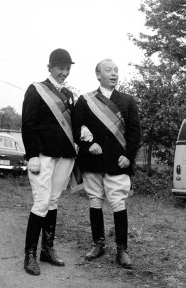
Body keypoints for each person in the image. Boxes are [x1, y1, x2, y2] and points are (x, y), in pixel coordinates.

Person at [72, 58, 141, 269]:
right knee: (95, 200)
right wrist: (88, 144)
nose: (114, 73)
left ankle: (122, 250)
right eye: (109, 70)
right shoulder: (85, 101)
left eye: (116, 70)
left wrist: (128, 156)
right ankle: (98, 244)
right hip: (93, 161)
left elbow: (135, 133)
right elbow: (76, 129)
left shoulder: (128, 101)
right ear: (98, 75)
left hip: (118, 163)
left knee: (118, 203)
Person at [22, 48, 76, 276]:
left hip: (63, 155)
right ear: (50, 67)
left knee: (53, 201)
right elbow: (28, 123)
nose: (64, 73)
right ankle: (30, 255)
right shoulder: (36, 90)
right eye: (60, 68)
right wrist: (32, 154)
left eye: (67, 68)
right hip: (42, 155)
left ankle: (47, 249)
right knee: (41, 202)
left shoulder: (69, 95)